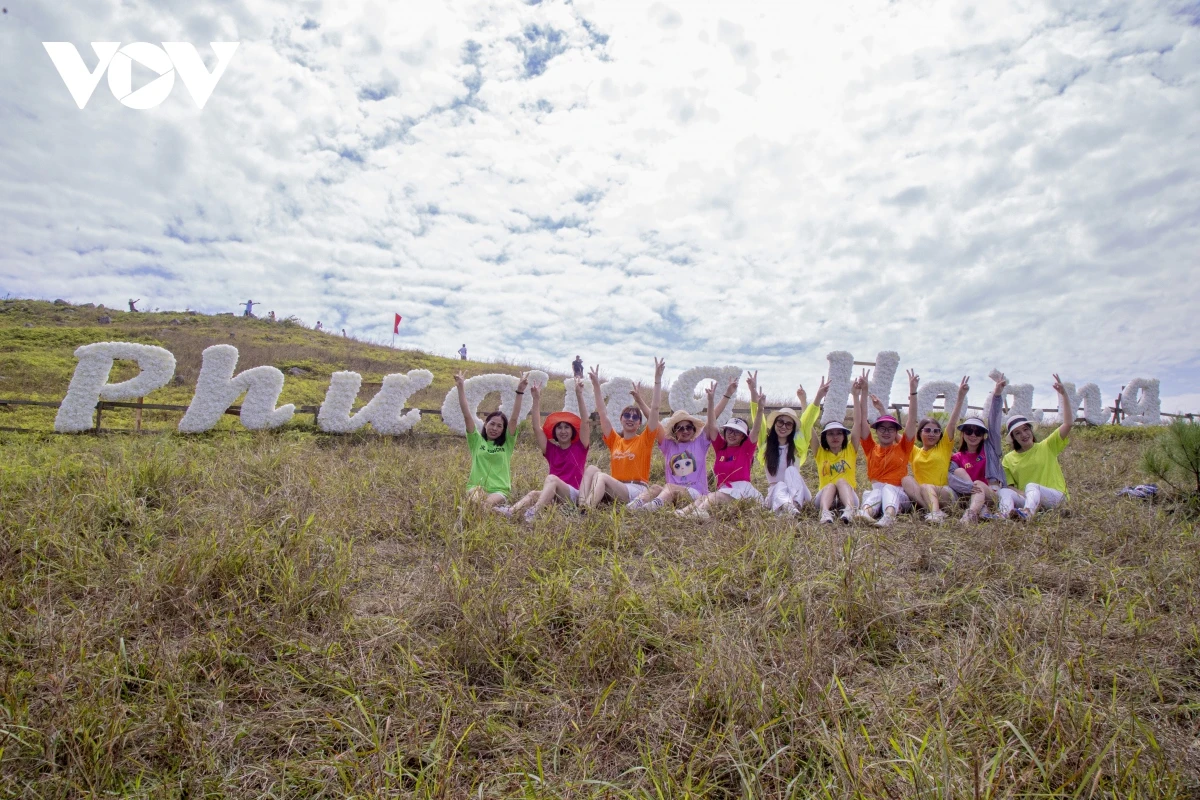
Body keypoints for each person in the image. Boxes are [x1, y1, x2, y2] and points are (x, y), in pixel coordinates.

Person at [630, 372, 735, 512]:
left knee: (669, 487)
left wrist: (726, 395)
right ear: (674, 431)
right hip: (671, 493)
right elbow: (653, 419)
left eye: (689, 427)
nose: (685, 431)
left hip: (695, 493)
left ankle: (650, 509)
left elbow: (713, 417)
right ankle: (633, 506)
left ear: (693, 429)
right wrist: (639, 400)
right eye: (680, 428)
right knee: (655, 488)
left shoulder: (700, 442)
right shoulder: (668, 445)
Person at [676, 379, 765, 520]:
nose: (732, 434)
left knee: (713, 496)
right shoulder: (721, 448)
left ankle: (698, 514)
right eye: (729, 430)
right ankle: (683, 513)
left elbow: (756, 429)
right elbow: (711, 425)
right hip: (723, 490)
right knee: (704, 497)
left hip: (741, 490)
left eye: (737, 432)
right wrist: (710, 401)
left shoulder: (746, 449)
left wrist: (760, 410)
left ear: (743, 436)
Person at [506, 377, 591, 522]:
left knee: (552, 479)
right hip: (554, 493)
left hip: (575, 495)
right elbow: (536, 427)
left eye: (566, 428)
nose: (563, 431)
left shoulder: (580, 447)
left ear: (572, 431)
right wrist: (536, 399)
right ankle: (509, 511)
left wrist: (579, 394)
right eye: (559, 428)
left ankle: (534, 512)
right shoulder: (551, 450)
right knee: (533, 493)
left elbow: (585, 421)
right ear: (554, 432)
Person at [582, 360, 663, 508]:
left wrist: (657, 380)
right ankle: (581, 504)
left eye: (635, 417)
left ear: (640, 423)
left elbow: (655, 409)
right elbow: (602, 412)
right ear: (621, 419)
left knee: (601, 476)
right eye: (627, 415)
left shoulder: (645, 439)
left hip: (636, 489)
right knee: (592, 469)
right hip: (617, 488)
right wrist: (596, 385)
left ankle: (586, 510)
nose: (630, 419)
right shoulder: (615, 440)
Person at [748, 372, 827, 515]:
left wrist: (818, 397)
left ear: (793, 428)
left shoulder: (798, 446)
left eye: (788, 424)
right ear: (774, 424)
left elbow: (808, 419)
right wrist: (753, 392)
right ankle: (788, 508)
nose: (783, 426)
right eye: (780, 422)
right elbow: (757, 421)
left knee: (791, 471)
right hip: (776, 494)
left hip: (799, 493)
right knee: (779, 486)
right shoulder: (765, 445)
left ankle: (793, 505)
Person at [997, 374, 1074, 521]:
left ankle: (1027, 514)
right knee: (1004, 492)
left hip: (1056, 498)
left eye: (1026, 430)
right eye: (1018, 433)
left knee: (1033, 486)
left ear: (1031, 430)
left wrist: (1064, 395)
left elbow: (1068, 423)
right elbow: (1009, 485)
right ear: (1013, 438)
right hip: (1028, 497)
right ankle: (1004, 516)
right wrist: (1023, 493)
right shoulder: (1008, 458)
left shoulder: (1047, 446)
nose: (1024, 435)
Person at [454, 369, 527, 512]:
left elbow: (513, 419)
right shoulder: (476, 440)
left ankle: (469, 511)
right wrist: (460, 387)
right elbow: (467, 415)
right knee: (477, 500)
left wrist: (520, 391)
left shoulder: (507, 443)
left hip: (499, 490)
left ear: (503, 429)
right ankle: (484, 511)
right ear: (485, 424)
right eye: (492, 424)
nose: (495, 428)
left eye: (499, 426)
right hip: (476, 486)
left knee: (485, 505)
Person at [857, 368, 919, 526]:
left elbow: (912, 421)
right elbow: (862, 419)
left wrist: (913, 392)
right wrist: (864, 391)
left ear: (896, 431)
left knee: (887, 489)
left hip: (900, 494)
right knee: (877, 491)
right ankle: (865, 513)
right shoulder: (871, 448)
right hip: (877, 491)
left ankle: (889, 517)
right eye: (882, 428)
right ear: (876, 431)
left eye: (890, 428)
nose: (886, 432)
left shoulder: (903, 447)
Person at [903, 376, 969, 522]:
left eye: (936, 431)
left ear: (940, 434)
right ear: (920, 433)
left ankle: (935, 513)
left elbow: (952, 423)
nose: (932, 434)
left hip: (946, 493)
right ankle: (932, 510)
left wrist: (960, 397)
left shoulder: (944, 447)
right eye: (927, 430)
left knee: (926, 487)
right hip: (924, 494)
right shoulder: (914, 451)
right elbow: (907, 423)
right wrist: (913, 391)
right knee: (906, 479)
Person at [949, 373, 1008, 524]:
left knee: (979, 484)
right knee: (958, 471)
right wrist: (968, 487)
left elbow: (994, 423)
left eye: (978, 431)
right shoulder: (957, 457)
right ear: (963, 434)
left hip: (992, 492)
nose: (973, 435)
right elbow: (949, 477)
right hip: (968, 494)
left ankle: (970, 515)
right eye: (969, 431)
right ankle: (981, 510)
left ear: (983, 435)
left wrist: (997, 395)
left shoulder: (990, 448)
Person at [813, 374, 864, 524]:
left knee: (841, 482)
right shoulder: (820, 453)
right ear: (825, 437)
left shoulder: (850, 450)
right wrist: (817, 397)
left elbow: (858, 423)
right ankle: (825, 513)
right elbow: (807, 426)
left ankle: (849, 510)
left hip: (849, 495)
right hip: (824, 497)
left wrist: (855, 396)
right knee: (830, 485)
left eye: (839, 433)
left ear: (844, 436)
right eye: (831, 433)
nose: (835, 437)